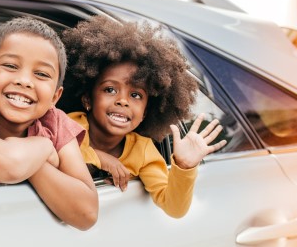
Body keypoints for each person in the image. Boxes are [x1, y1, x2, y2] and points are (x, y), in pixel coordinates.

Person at [61, 15, 227, 218]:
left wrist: (184, 166)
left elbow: (174, 208)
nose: (123, 101)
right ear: (88, 99)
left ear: (146, 113)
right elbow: (49, 149)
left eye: (136, 95)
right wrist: (100, 159)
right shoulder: (69, 123)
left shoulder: (143, 151)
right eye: (110, 89)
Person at [0, 16, 98, 231]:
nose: (24, 81)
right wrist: (45, 148)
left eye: (41, 74)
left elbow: (87, 214)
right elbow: (8, 164)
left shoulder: (55, 122)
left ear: (55, 97)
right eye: (10, 65)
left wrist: (34, 163)